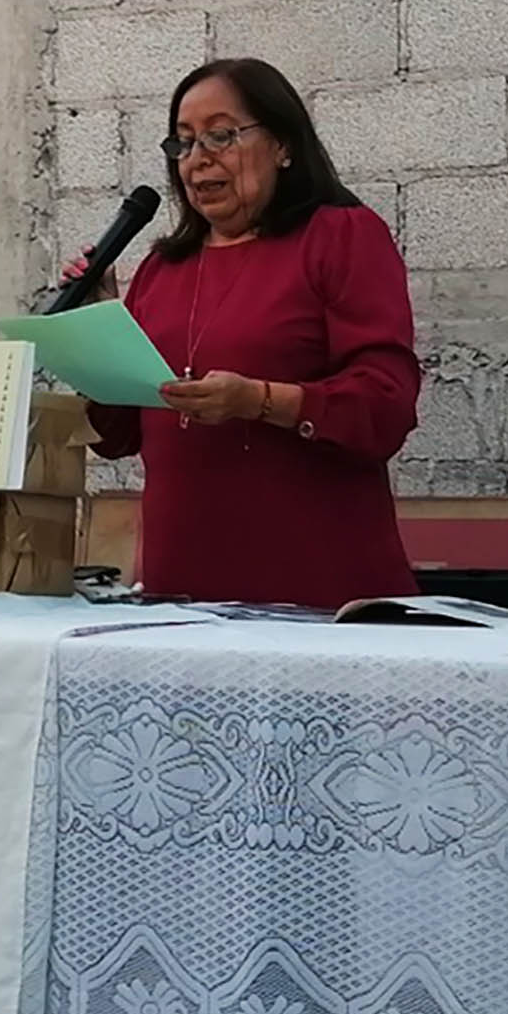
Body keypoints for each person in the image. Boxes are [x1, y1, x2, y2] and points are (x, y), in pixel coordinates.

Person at [67, 57, 421, 608]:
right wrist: (98, 331)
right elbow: (117, 438)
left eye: (221, 136)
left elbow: (385, 408)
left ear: (283, 145)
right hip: (178, 592)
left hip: (317, 591)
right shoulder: (163, 269)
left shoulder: (341, 237)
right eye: (183, 143)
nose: (198, 160)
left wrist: (257, 400)